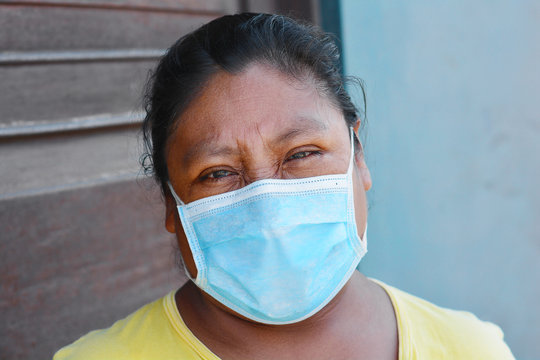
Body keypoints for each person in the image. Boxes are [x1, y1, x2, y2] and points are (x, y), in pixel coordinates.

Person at [54, 13, 514, 360]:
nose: (267, 209)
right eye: (217, 173)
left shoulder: (470, 349)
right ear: (172, 206)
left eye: (301, 154)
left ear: (359, 157)